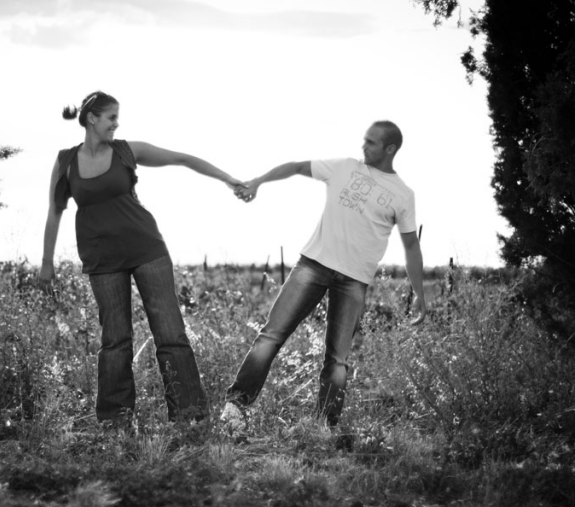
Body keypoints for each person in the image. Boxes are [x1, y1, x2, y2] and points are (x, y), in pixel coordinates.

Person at [39, 91, 242, 425]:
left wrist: (228, 179)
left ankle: (190, 418)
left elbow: (182, 158)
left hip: (147, 250)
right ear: (92, 119)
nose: (117, 125)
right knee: (115, 341)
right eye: (111, 118)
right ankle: (114, 422)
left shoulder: (125, 151)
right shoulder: (65, 162)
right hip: (101, 260)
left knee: (170, 334)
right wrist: (46, 264)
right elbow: (54, 212)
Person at [222, 120, 426, 435]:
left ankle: (323, 429)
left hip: (354, 281)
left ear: (390, 149)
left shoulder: (403, 195)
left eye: (371, 142)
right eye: (364, 140)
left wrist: (420, 294)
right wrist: (259, 181)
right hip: (313, 265)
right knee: (270, 336)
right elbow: (296, 166)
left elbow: (411, 245)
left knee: (337, 361)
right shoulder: (344, 167)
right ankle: (233, 413)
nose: (363, 146)